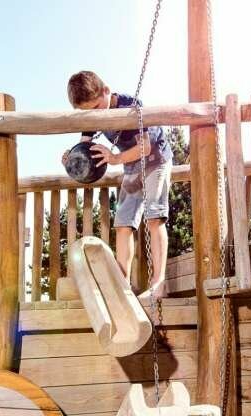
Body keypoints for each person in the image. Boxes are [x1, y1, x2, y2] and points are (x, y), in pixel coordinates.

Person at [63, 70, 173, 299]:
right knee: (123, 223)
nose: (94, 114)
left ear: (106, 90)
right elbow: (84, 147)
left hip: (155, 159)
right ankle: (123, 285)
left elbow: (145, 147)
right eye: (88, 112)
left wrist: (114, 159)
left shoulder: (130, 105)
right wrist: (72, 160)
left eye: (96, 107)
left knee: (154, 217)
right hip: (131, 165)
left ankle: (158, 283)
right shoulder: (93, 116)